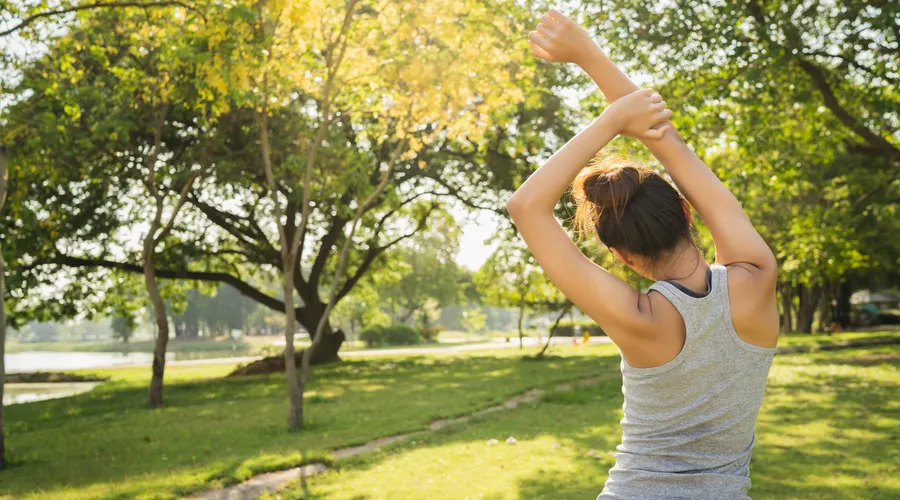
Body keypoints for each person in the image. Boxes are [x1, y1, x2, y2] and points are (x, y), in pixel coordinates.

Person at [506, 10, 780, 499]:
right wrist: (590, 56)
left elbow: (526, 207)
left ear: (620, 256)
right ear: (686, 211)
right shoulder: (756, 277)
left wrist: (612, 119)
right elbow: (665, 141)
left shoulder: (637, 317)